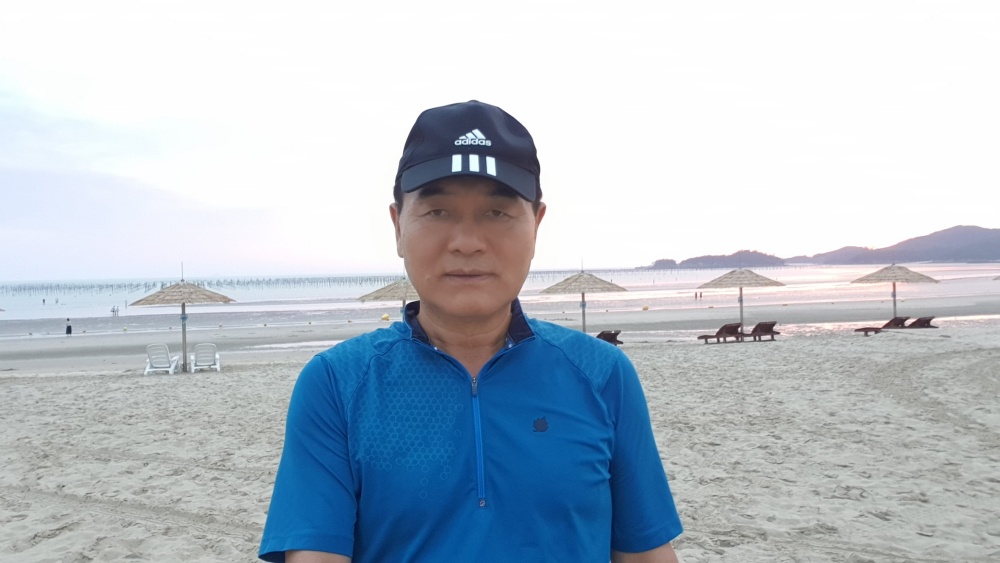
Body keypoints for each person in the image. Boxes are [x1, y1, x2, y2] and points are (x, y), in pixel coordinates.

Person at [259, 101, 683, 562]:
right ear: (398, 226)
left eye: (497, 213)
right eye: (438, 211)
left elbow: (644, 552)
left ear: (536, 225)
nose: (467, 242)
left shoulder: (602, 375)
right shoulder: (336, 383)